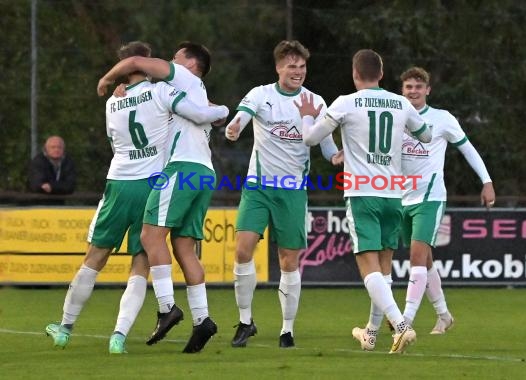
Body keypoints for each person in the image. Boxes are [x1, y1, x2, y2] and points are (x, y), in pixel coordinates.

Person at [45, 41, 228, 354]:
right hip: (159, 179)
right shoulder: (163, 93)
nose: (168, 61)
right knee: (146, 261)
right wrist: (223, 111)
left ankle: (65, 328)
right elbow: (199, 113)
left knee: (94, 258)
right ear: (143, 63)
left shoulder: (112, 103)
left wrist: (112, 86)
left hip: (120, 181)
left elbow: (113, 141)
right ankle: (119, 336)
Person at [296, 49, 432, 354]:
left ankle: (400, 326)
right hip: (394, 193)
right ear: (381, 75)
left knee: (367, 266)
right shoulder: (401, 103)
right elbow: (425, 136)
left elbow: (310, 138)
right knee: (384, 268)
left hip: (362, 192)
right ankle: (370, 332)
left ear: (355, 75)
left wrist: (307, 115)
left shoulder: (346, 102)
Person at [224, 40, 341, 348]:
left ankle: (287, 329)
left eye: (302, 67)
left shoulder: (315, 101)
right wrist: (233, 128)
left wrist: (337, 157)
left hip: (293, 191)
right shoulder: (261, 94)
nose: (298, 72)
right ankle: (245, 322)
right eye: (292, 66)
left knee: (288, 260)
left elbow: (326, 144)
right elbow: (242, 117)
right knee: (242, 250)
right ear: (278, 67)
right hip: (258, 186)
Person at [397, 66, 495, 333]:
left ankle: (403, 322)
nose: (413, 91)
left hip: (430, 197)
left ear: (427, 90)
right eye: (408, 87)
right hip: (400, 197)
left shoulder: (442, 118)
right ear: (402, 91)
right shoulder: (395, 117)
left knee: (416, 257)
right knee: (424, 259)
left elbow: (468, 149)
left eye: (418, 86)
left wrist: (486, 182)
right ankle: (444, 315)